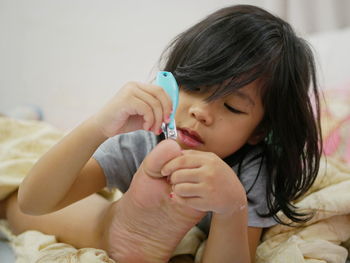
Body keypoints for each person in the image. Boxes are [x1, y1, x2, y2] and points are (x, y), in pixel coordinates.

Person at [0, 4, 322, 263]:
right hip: (83, 202)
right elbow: (33, 202)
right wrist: (98, 126)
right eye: (194, 87)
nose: (200, 111)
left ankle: (113, 228)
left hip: (220, 190)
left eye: (232, 108)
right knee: (15, 204)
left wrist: (232, 206)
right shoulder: (143, 140)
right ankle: (112, 226)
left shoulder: (252, 171)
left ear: (259, 132)